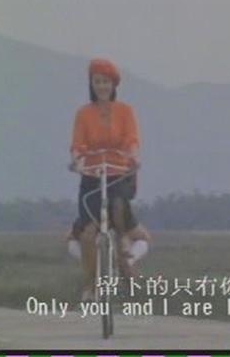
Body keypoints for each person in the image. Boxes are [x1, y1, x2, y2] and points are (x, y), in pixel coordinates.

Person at [68, 58, 151, 301]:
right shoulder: (83, 113)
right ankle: (90, 283)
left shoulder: (125, 111)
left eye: (106, 82)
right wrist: (77, 160)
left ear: (113, 85)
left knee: (118, 208)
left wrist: (133, 157)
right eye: (97, 82)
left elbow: (131, 139)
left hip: (118, 174)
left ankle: (125, 260)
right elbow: (77, 144)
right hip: (92, 176)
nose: (102, 86)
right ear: (91, 84)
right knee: (87, 234)